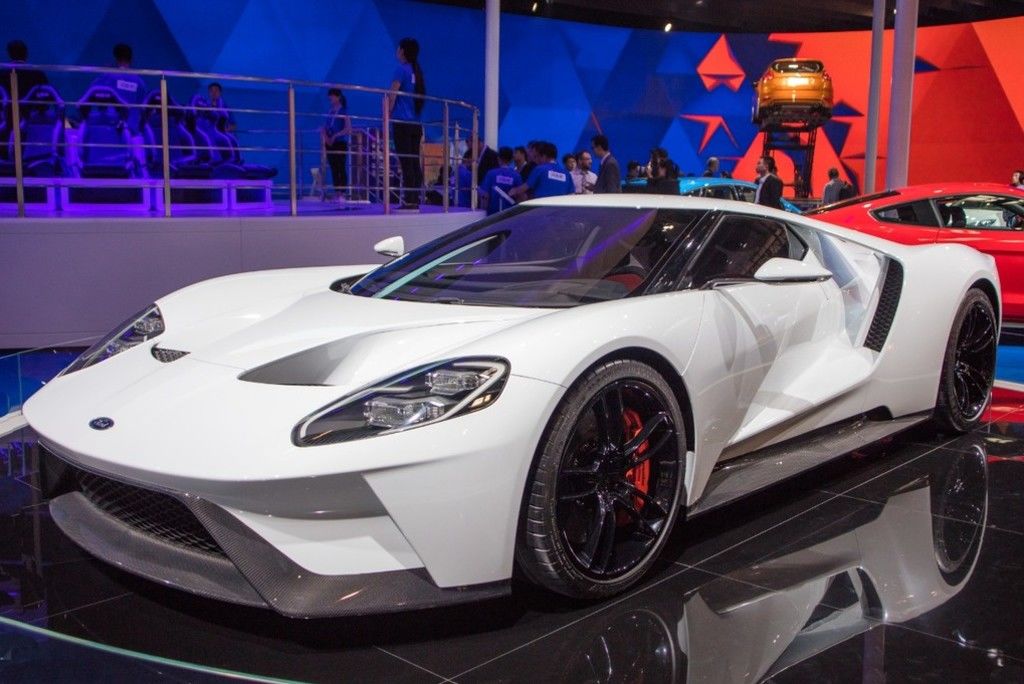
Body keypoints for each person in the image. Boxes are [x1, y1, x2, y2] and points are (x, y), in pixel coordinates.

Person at [389, 37, 426, 210]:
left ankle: (410, 200)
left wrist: (386, 114)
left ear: (402, 51)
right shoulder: (417, 71)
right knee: (413, 161)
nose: (396, 51)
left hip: (402, 123)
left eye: (398, 48)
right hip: (415, 124)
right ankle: (414, 198)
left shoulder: (401, 70)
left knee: (406, 162)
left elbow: (392, 95)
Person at [90, 43, 148, 133]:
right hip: (132, 129)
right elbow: (144, 109)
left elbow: (92, 93)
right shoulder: (139, 82)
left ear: (116, 59)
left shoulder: (107, 77)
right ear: (131, 60)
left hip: (109, 126)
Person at [322, 87, 351, 202]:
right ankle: (337, 192)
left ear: (338, 97)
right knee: (334, 168)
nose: (330, 98)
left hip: (340, 143)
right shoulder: (330, 111)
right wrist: (324, 133)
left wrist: (336, 135)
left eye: (332, 96)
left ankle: (342, 193)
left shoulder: (343, 111)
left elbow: (348, 128)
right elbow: (327, 126)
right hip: (329, 143)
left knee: (341, 167)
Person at [479, 146, 518, 215]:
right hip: (510, 214)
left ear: (498, 158)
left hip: (493, 214)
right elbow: (520, 196)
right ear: (511, 160)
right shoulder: (516, 175)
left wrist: (483, 212)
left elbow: (485, 195)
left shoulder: (491, 174)